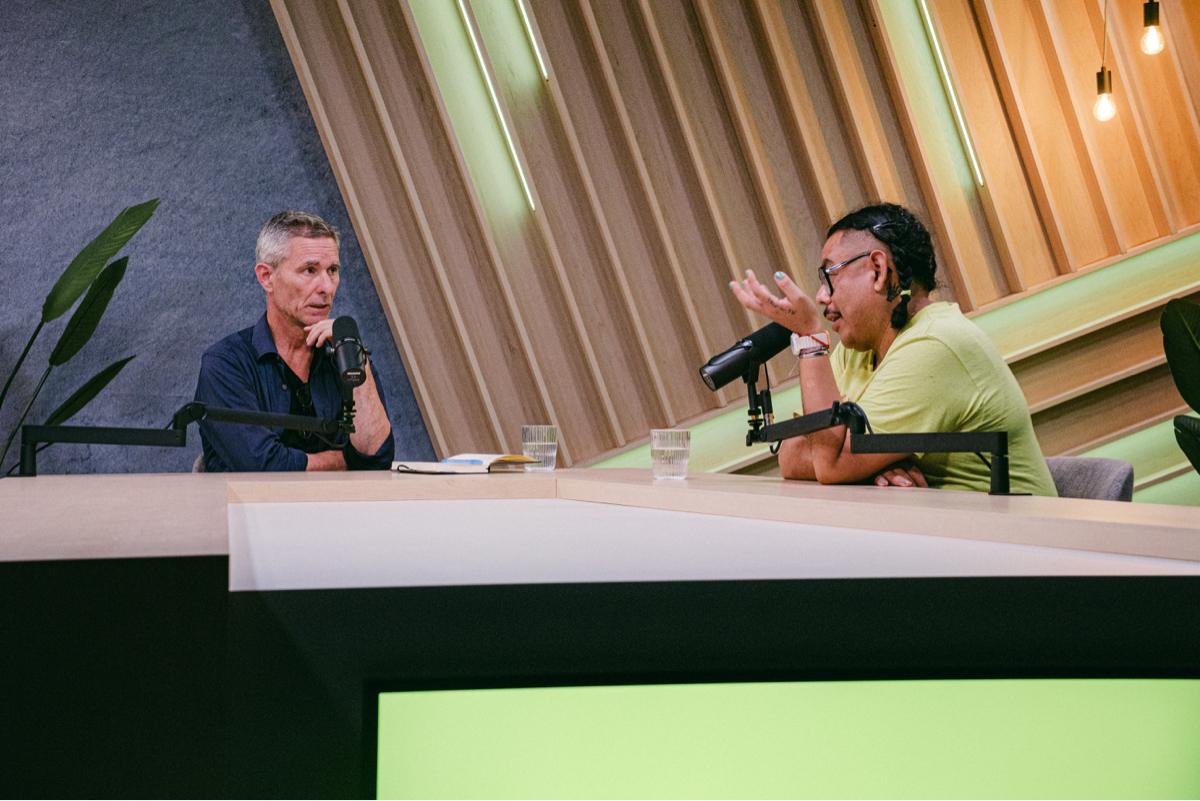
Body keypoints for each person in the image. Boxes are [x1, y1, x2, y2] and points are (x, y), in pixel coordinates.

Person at [730, 203, 1056, 496]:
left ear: (878, 270)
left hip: (1022, 544)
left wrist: (809, 339)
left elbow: (829, 462)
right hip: (950, 536)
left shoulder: (936, 343)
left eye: (830, 276)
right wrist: (864, 467)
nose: (820, 295)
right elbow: (792, 456)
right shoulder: (856, 349)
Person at [194, 210, 394, 472]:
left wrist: (355, 355)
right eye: (309, 270)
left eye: (332, 270)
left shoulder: (346, 355)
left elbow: (376, 458)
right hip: (253, 512)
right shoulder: (225, 365)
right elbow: (264, 467)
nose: (326, 287)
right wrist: (348, 461)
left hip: (337, 511)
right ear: (267, 277)